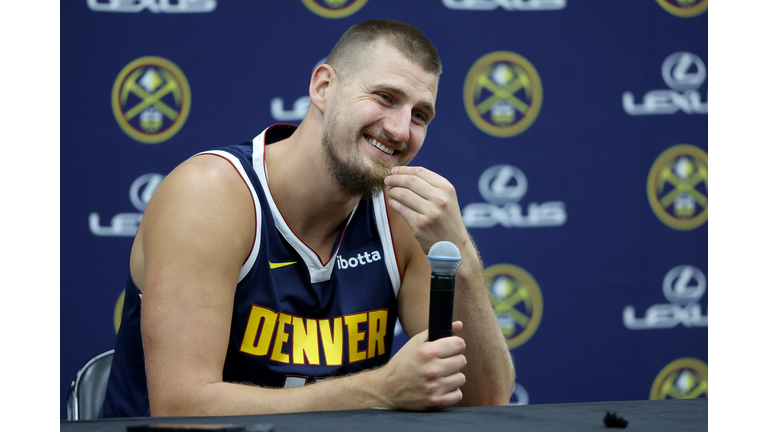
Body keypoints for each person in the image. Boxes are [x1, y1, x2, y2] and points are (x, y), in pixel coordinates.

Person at [100, 18, 514, 418]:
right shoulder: (211, 195)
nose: (401, 130)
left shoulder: (400, 215)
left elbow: (485, 401)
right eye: (385, 97)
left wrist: (462, 256)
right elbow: (180, 409)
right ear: (323, 87)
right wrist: (380, 390)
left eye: (420, 115)